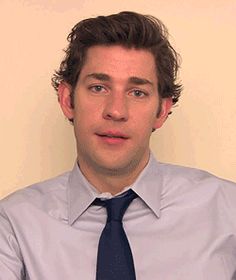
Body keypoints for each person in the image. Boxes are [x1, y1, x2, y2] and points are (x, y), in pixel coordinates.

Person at [0, 11, 236, 280]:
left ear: (161, 110)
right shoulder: (13, 224)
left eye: (137, 92)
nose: (116, 111)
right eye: (99, 87)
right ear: (67, 100)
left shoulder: (228, 212)